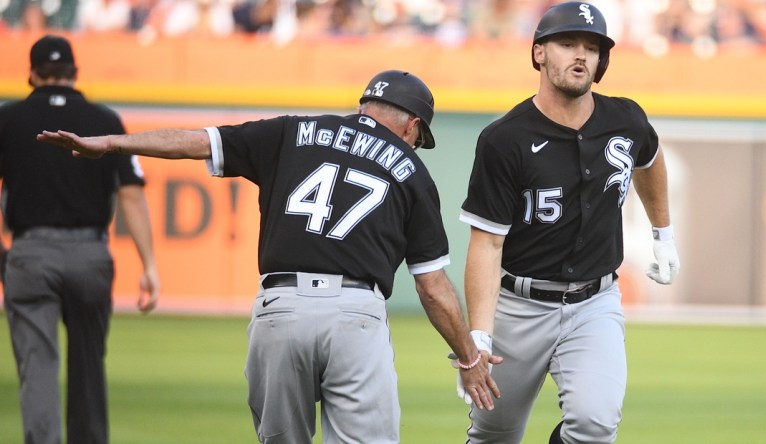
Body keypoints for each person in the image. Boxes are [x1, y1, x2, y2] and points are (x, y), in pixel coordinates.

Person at [38, 69, 501, 443]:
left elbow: (198, 141)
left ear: (363, 106)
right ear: (413, 126)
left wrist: (114, 144)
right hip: (357, 315)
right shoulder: (411, 170)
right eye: (419, 138)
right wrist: (468, 357)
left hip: (281, 309)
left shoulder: (291, 131)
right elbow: (432, 286)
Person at [456, 2, 680, 444]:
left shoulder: (625, 118)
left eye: (592, 47)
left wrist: (663, 235)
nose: (581, 55)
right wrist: (478, 336)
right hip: (520, 306)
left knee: (595, 425)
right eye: (567, 43)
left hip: (594, 302)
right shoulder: (505, 139)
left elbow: (650, 160)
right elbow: (486, 243)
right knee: (494, 435)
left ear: (602, 61)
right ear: (539, 52)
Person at [0, 34, 160, 444]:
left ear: (32, 74)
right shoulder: (105, 121)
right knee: (88, 366)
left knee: (38, 368)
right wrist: (149, 266)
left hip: (29, 252)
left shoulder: (8, 120)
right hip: (90, 253)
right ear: (75, 72)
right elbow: (131, 196)